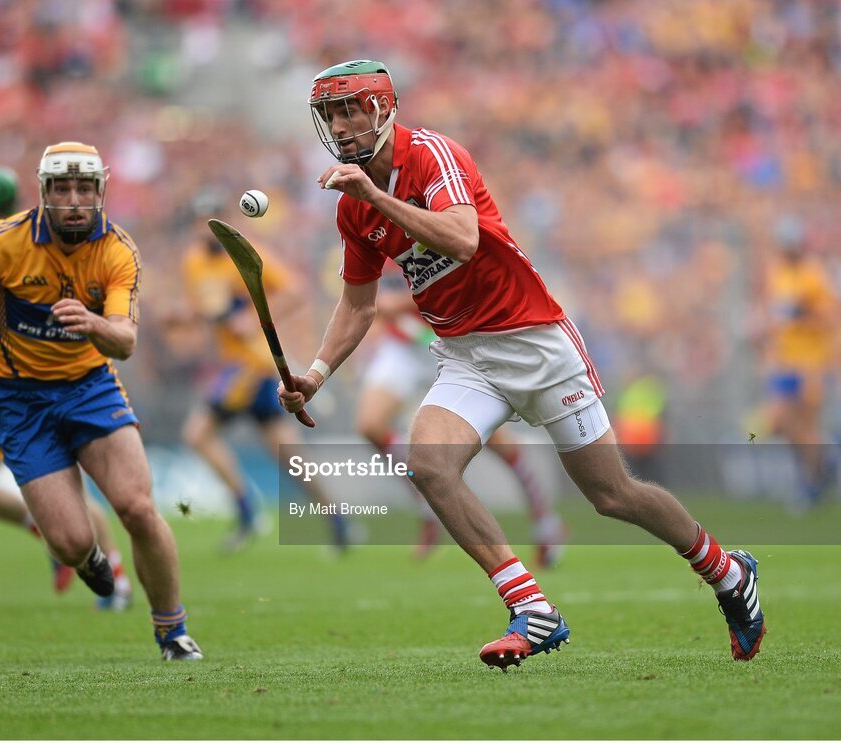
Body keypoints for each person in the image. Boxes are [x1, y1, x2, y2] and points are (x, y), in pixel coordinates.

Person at [280, 61, 765, 668]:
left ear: (384, 110)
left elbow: (462, 239)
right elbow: (357, 303)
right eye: (331, 114)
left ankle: (726, 571)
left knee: (613, 495)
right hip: (465, 355)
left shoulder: (431, 156)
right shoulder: (351, 207)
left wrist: (375, 196)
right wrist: (317, 374)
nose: (342, 124)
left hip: (534, 342)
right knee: (431, 465)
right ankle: (533, 609)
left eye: (353, 108)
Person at [0, 142, 201, 661]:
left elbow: (124, 341)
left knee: (137, 507)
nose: (75, 200)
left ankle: (172, 631)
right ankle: (87, 562)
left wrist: (94, 323)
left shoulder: (117, 250)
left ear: (101, 192)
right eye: (63, 188)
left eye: (85, 188)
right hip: (19, 400)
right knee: (69, 542)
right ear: (43, 192)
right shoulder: (5, 239)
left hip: (90, 387)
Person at [0, 166, 132, 609]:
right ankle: (49, 532)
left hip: (44, 388)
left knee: (74, 492)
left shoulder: (23, 247)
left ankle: (114, 570)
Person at [357, 266, 565, 563]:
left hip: (448, 339)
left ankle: (545, 521)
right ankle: (428, 508)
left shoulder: (432, 221)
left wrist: (400, 303)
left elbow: (460, 270)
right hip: (403, 344)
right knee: (370, 424)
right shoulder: (370, 230)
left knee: (496, 441)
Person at [180, 209, 349, 551]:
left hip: (249, 365)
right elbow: (212, 309)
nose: (206, 226)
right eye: (199, 218)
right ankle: (337, 520)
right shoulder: (193, 263)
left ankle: (247, 510)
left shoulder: (246, 253)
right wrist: (186, 316)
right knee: (288, 454)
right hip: (236, 364)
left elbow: (294, 290)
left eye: (212, 217)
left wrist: (248, 318)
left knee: (197, 434)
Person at [758, 215, 837, 508]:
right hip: (785, 361)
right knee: (779, 421)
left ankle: (811, 482)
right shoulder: (777, 273)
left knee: (807, 425)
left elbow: (828, 316)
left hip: (809, 362)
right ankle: (822, 464)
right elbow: (774, 316)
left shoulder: (813, 274)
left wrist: (801, 315)